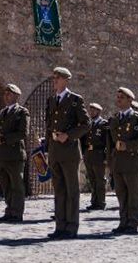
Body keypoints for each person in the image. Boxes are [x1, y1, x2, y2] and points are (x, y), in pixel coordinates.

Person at [44, 67, 90, 239]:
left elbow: (86, 124)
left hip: (69, 152)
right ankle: (60, 226)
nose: (54, 80)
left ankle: (71, 227)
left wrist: (68, 135)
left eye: (58, 78)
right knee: (59, 191)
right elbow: (49, 125)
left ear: (66, 80)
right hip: (55, 151)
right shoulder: (51, 100)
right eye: (54, 77)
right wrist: (48, 146)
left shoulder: (75, 100)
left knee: (71, 191)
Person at [109, 87, 138, 234]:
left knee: (133, 195)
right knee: (121, 194)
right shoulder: (115, 119)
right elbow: (110, 142)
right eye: (117, 96)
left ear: (130, 100)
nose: (118, 99)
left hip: (132, 162)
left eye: (122, 97)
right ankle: (123, 221)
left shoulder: (137, 118)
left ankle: (132, 223)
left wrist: (128, 146)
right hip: (118, 162)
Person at [0, 83, 29, 223]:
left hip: (14, 155)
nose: (6, 96)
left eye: (9, 94)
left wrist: (5, 138)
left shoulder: (22, 112)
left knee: (16, 186)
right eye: (5, 93)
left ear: (16, 96)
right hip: (2, 155)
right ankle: (9, 210)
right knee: (6, 185)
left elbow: (22, 133)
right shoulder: (2, 112)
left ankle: (17, 213)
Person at [82, 102, 111, 211]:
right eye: (91, 110)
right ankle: (94, 202)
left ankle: (101, 202)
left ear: (98, 111)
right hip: (89, 154)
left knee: (100, 180)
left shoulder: (103, 124)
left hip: (99, 154)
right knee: (92, 179)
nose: (92, 112)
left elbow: (107, 142)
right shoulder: (88, 124)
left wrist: (105, 157)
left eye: (94, 110)